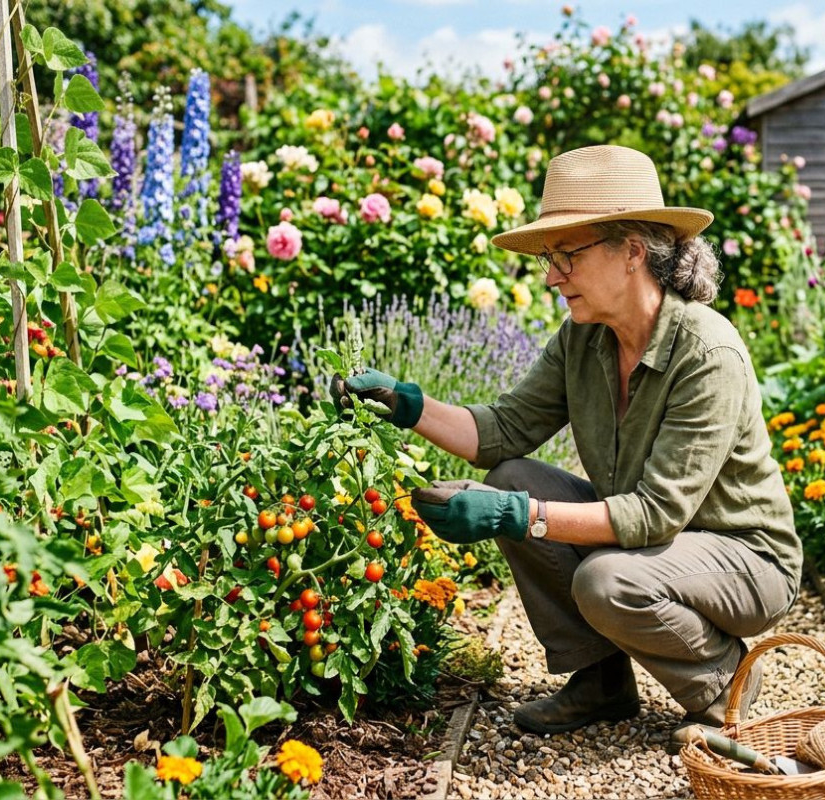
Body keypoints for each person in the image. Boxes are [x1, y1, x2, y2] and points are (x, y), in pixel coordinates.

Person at [332, 144, 800, 752]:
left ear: (633, 250)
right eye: (550, 259)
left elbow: (656, 514)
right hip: (660, 545)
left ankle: (725, 687)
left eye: (567, 256)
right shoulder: (586, 339)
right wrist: (408, 406)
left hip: (745, 560)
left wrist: (521, 517)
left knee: (605, 580)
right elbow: (502, 430)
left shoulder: (708, 353)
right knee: (509, 476)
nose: (552, 276)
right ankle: (602, 680)